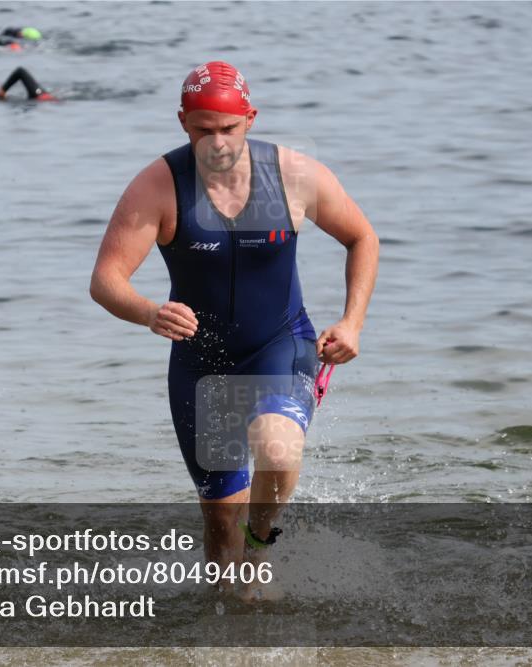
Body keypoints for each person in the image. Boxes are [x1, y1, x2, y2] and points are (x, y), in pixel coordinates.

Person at [90, 61, 378, 597]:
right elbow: (106, 280)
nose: (216, 141)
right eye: (203, 129)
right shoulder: (159, 185)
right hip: (201, 365)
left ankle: (263, 544)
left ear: (250, 118)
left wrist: (352, 321)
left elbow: (362, 238)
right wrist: (148, 311)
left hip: (281, 344)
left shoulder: (294, 175)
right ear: (183, 122)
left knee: (278, 447)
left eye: (228, 128)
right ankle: (229, 626)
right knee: (221, 539)